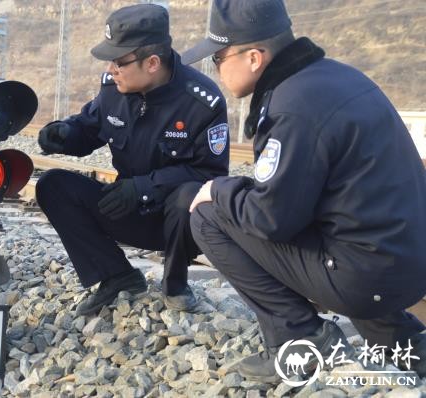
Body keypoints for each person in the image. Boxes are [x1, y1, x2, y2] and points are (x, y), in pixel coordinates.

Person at [184, 0, 426, 382]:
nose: (214, 67)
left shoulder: (291, 106)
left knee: (208, 215)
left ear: (253, 57)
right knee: (341, 222)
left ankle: (300, 342)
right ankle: (406, 344)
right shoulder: (335, 78)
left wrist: (217, 189)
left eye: (218, 57)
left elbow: (271, 220)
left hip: (367, 278)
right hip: (406, 264)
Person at [35, 4, 229, 316]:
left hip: (179, 224)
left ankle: (176, 284)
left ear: (152, 63)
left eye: (120, 61)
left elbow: (211, 173)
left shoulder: (201, 103)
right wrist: (63, 134)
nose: (112, 68)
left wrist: (143, 187)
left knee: (190, 195)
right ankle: (117, 276)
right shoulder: (114, 90)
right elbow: (88, 130)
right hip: (126, 210)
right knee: (52, 185)